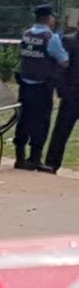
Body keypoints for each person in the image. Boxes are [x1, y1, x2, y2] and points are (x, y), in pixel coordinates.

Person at [13, 4, 69, 171]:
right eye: (53, 17)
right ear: (48, 18)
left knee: (24, 120)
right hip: (42, 87)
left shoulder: (26, 34)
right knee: (41, 122)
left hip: (25, 85)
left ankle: (20, 157)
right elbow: (64, 61)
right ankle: (35, 158)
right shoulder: (50, 38)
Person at [45, 20, 79, 174]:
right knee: (61, 131)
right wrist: (63, 91)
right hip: (72, 94)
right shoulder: (69, 41)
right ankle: (52, 163)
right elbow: (60, 67)